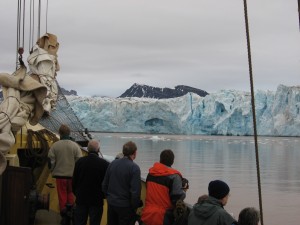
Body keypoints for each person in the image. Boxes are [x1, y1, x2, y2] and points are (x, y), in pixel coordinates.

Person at [141, 149, 188, 225]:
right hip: (163, 217)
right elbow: (177, 198)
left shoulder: (151, 174)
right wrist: (184, 191)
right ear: (172, 161)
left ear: (160, 159)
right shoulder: (174, 176)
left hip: (147, 214)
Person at [48, 124, 82, 222]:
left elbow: (51, 162)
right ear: (69, 133)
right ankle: (71, 213)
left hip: (60, 176)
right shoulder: (75, 146)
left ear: (60, 133)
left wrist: (52, 170)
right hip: (72, 177)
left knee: (62, 195)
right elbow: (79, 161)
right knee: (70, 194)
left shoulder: (55, 146)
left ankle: (64, 216)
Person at [102, 141, 142, 225]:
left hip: (112, 204)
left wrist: (109, 198)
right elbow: (135, 192)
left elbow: (104, 185)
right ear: (134, 153)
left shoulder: (112, 164)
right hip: (125, 207)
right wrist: (134, 208)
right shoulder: (134, 168)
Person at [72, 139, 109, 225]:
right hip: (96, 200)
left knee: (79, 222)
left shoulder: (79, 162)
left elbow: (74, 182)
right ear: (98, 150)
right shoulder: (104, 164)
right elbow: (106, 184)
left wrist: (77, 193)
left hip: (81, 198)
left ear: (88, 149)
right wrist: (103, 196)